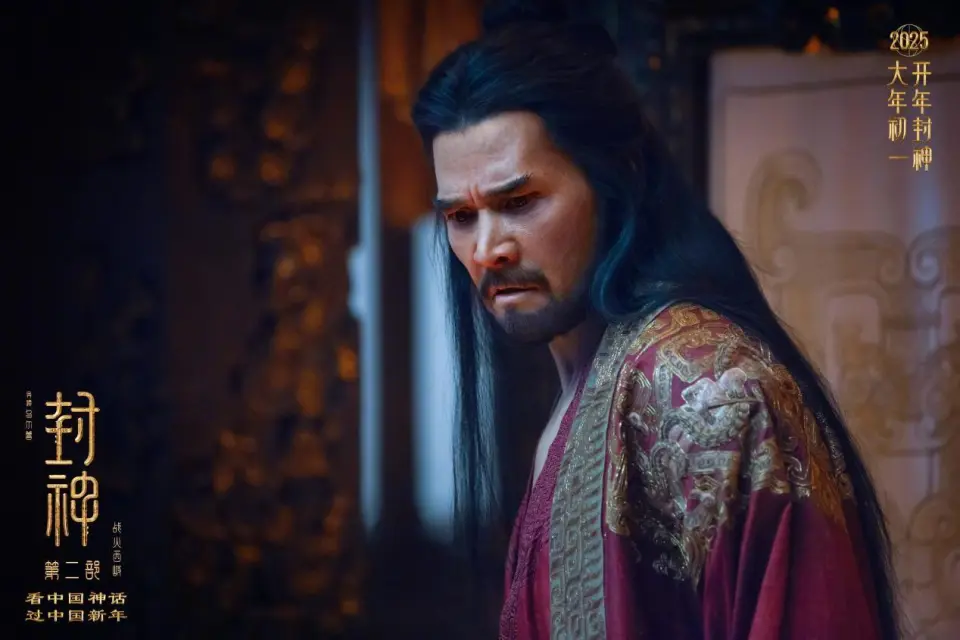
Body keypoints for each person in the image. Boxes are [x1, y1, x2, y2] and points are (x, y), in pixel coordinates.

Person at [410, 1, 901, 638]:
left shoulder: (706, 389)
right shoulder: (584, 392)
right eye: (461, 217)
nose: (486, 250)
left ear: (617, 180)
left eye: (521, 201)